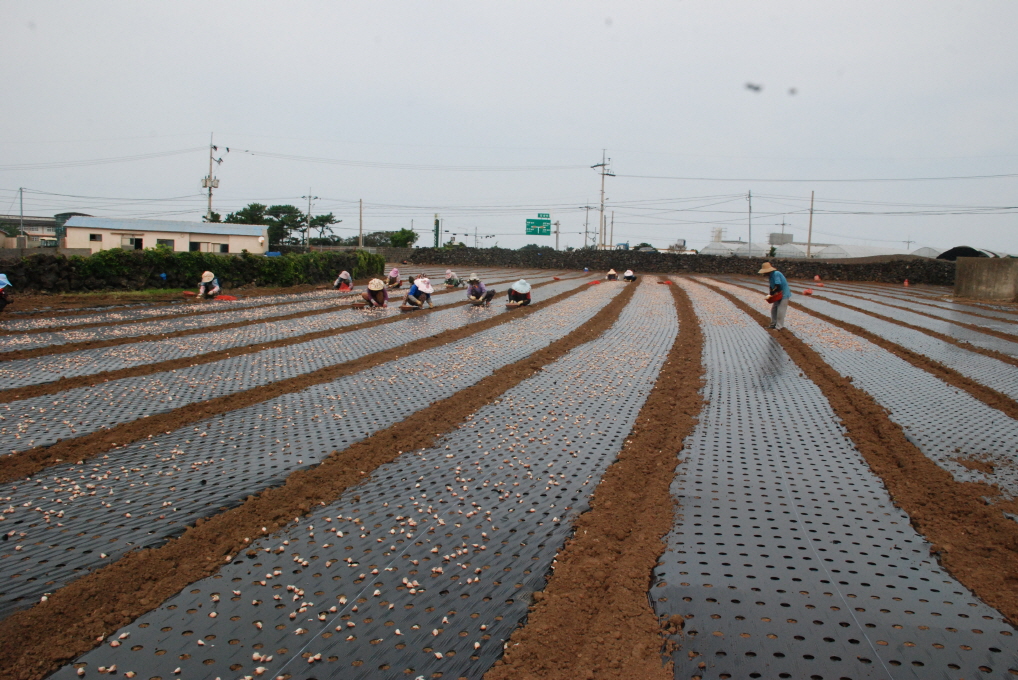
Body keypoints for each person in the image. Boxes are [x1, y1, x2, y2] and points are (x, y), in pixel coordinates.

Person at [759, 262, 791, 330]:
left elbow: (778, 285)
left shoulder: (776, 274)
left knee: (780, 310)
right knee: (774, 310)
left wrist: (774, 292)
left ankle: (779, 327)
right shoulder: (770, 276)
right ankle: (773, 324)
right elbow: (771, 287)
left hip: (784, 294)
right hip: (778, 294)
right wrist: (771, 294)